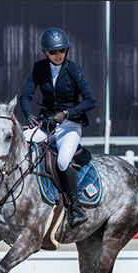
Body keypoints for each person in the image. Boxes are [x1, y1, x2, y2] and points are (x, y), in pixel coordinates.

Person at [20, 27, 96, 228]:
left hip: (69, 126)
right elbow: (25, 96)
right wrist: (29, 116)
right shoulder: (39, 69)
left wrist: (67, 113)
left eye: (61, 50)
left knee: (63, 161)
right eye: (53, 52)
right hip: (46, 125)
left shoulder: (74, 69)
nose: (58, 55)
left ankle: (75, 207)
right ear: (46, 52)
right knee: (20, 141)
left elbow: (90, 100)